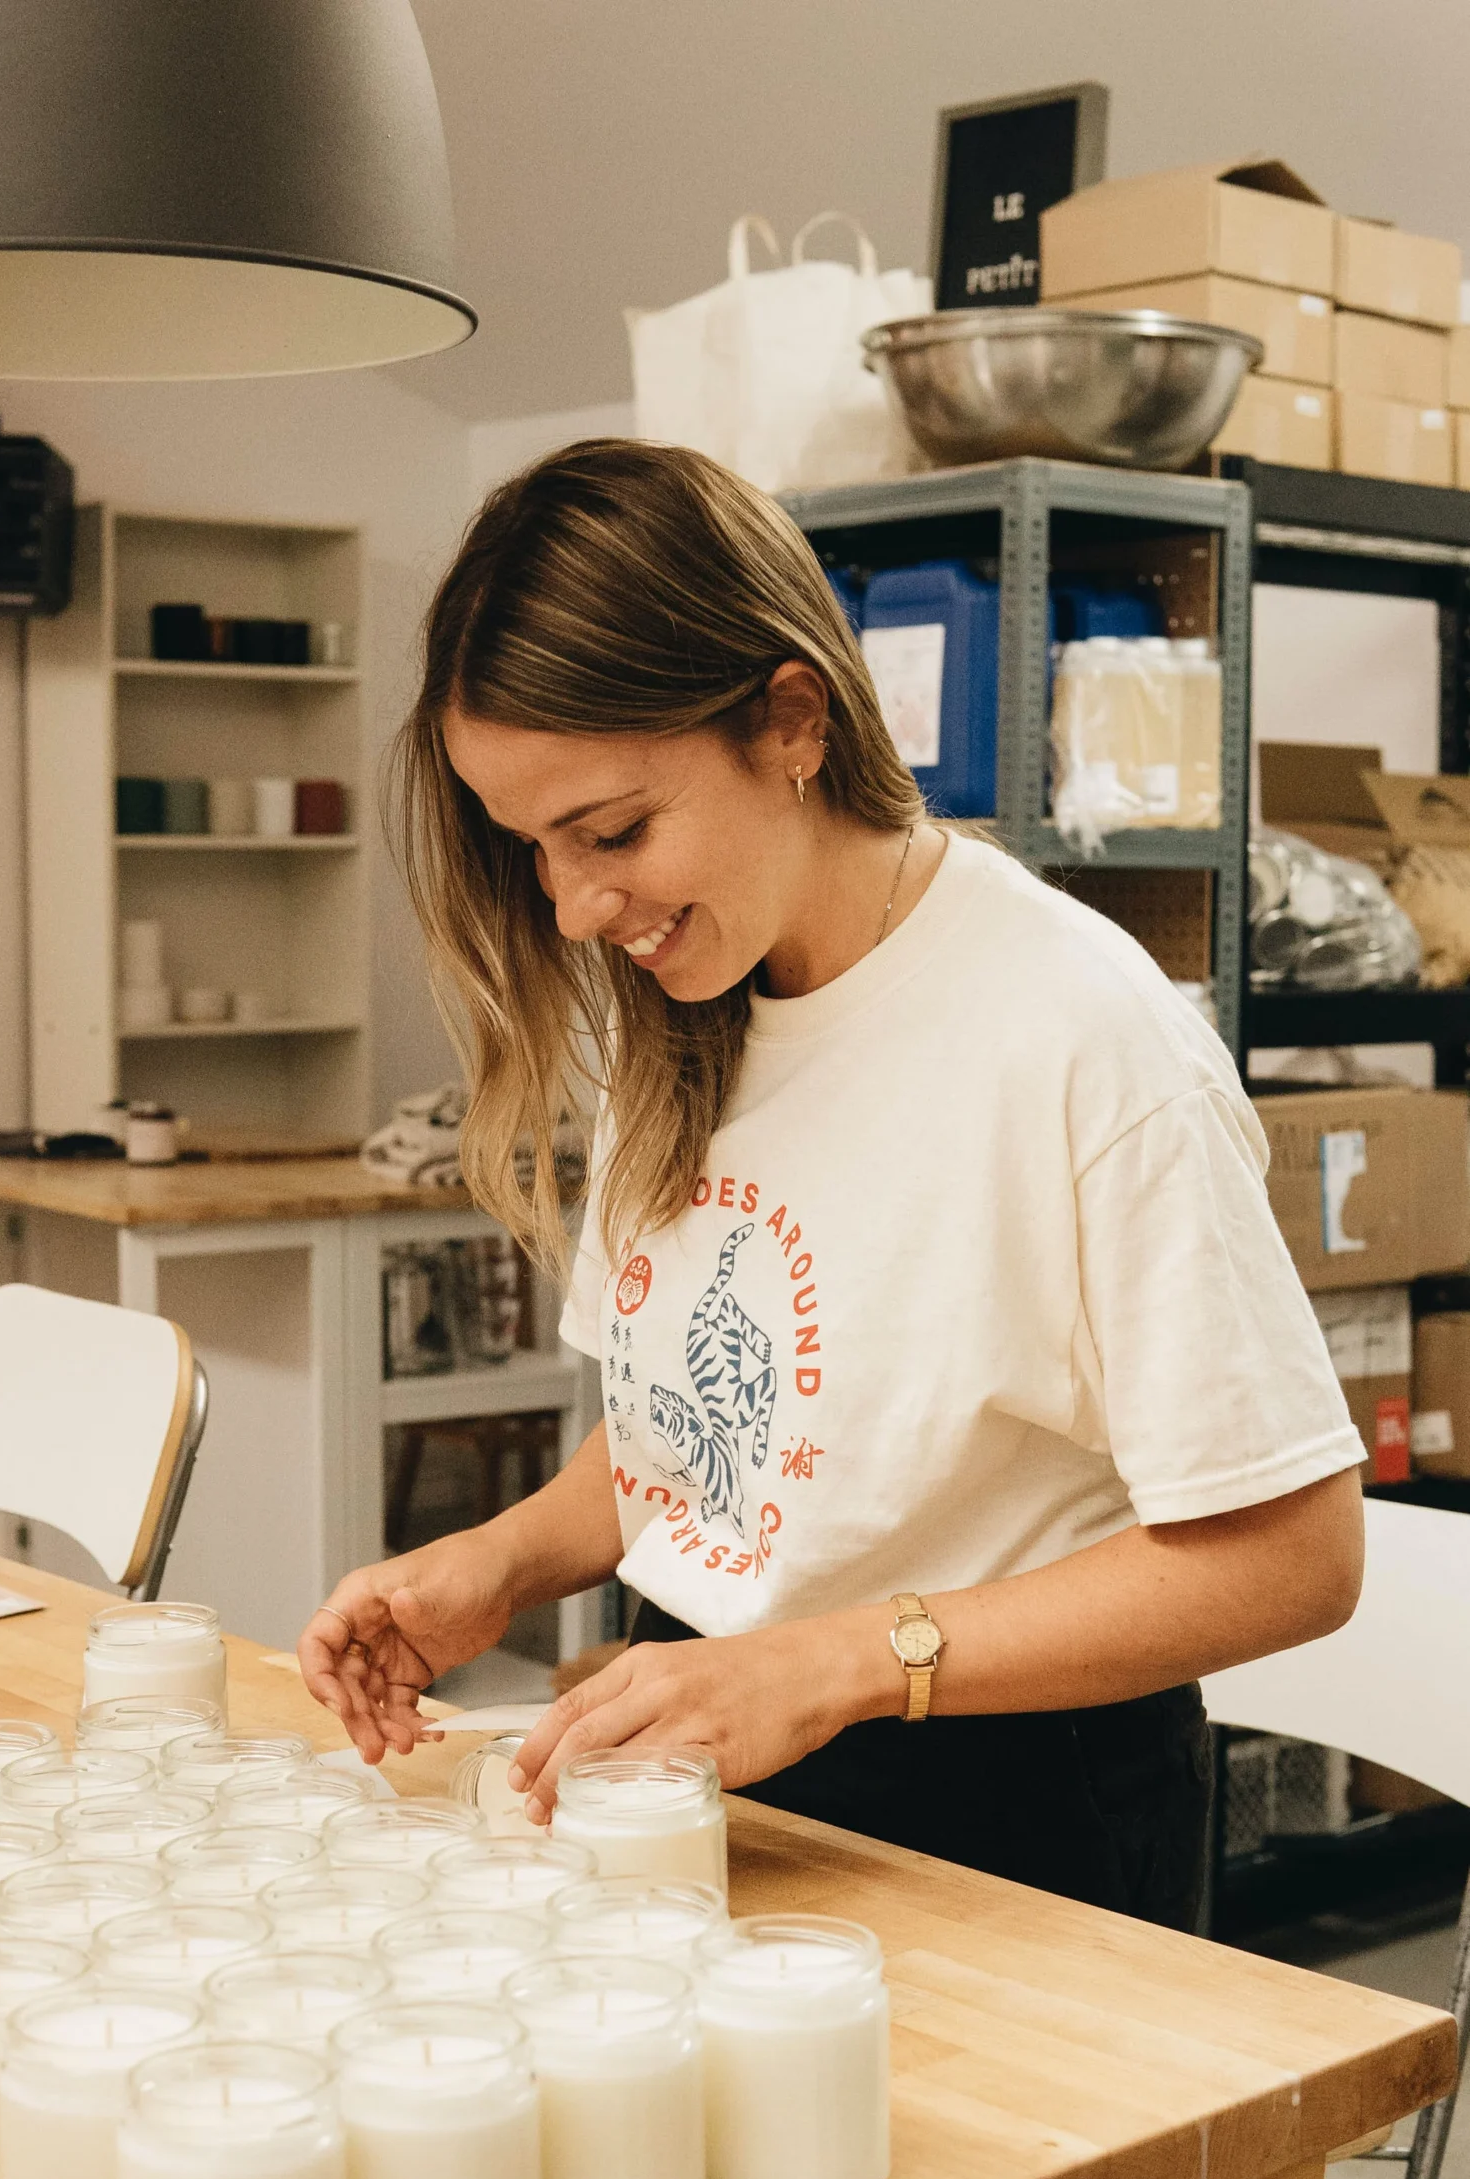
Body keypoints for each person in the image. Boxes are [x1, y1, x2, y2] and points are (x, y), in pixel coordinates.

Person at [298, 438, 1365, 1936]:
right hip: (695, 1742)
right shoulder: (675, 1010)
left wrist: (832, 1664)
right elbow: (713, 1435)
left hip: (1008, 1807)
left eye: (610, 831)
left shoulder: (1077, 1033)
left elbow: (1291, 1562)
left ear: (789, 719)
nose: (577, 906)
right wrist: (500, 1563)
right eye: (529, 847)